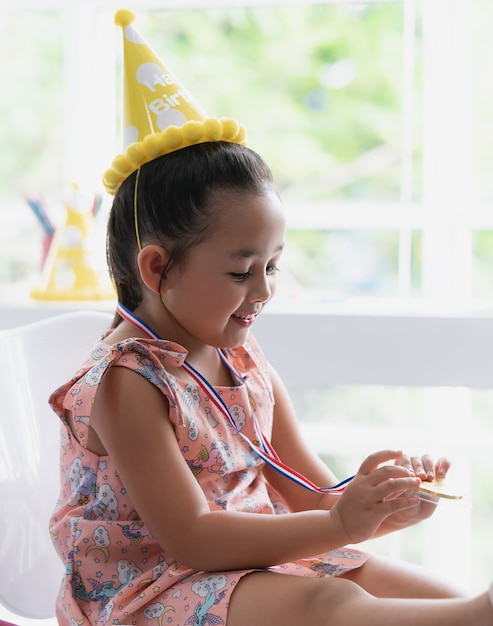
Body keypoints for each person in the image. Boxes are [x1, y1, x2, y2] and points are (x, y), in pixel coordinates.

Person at [49, 140, 493, 626]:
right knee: (328, 606)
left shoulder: (240, 356)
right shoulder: (126, 382)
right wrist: (339, 524)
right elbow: (193, 538)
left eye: (272, 265)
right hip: (150, 586)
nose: (263, 291)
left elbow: (317, 499)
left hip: (250, 563)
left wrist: (387, 507)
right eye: (241, 271)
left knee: (432, 594)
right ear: (157, 268)